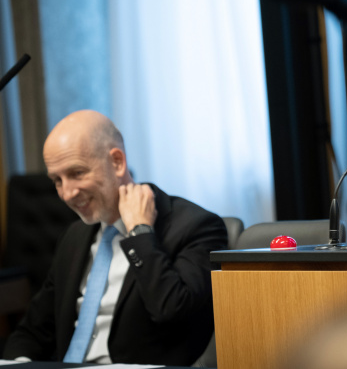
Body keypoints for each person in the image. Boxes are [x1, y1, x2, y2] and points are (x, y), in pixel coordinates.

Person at [2, 110, 228, 365]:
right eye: (57, 180)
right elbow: (34, 330)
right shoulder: (74, 236)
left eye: (77, 173)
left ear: (117, 162)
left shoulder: (196, 226)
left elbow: (172, 310)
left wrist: (140, 233)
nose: (66, 193)